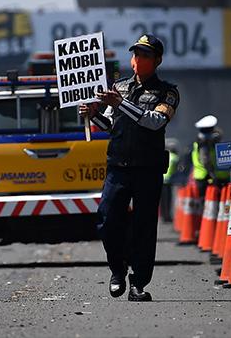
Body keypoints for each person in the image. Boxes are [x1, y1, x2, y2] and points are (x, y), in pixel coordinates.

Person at [79, 34, 180, 302]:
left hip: (148, 168)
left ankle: (138, 283)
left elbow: (155, 122)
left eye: (145, 55)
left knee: (144, 226)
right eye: (136, 54)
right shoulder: (119, 88)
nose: (138, 60)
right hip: (118, 166)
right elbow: (110, 125)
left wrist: (121, 104)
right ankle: (117, 269)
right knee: (107, 219)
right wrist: (92, 115)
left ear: (157, 60)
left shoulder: (167, 92)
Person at [190, 115, 227, 196]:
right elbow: (205, 160)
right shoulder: (204, 143)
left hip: (202, 177)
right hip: (207, 178)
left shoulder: (200, 142)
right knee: (210, 203)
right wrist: (212, 175)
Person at [160, 143, 179, 222]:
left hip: (162, 179)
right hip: (168, 181)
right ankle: (167, 216)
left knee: (162, 200)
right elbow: (176, 170)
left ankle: (163, 215)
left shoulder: (167, 156)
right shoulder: (175, 157)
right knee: (168, 200)